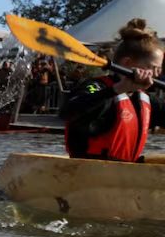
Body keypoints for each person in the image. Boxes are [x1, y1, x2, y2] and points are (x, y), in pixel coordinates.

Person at [60, 18, 164, 162]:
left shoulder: (145, 99)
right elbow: (67, 113)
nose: (157, 74)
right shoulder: (96, 87)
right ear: (128, 63)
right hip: (88, 174)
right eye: (154, 68)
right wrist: (119, 88)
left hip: (123, 175)